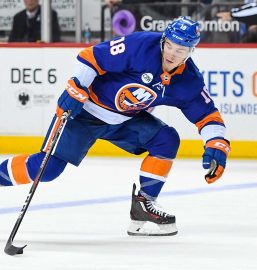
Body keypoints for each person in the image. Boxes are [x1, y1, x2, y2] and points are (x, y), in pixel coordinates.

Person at [0, 17, 230, 236]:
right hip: (84, 113)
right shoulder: (140, 45)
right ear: (163, 40)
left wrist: (217, 142)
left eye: (181, 50)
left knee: (166, 139)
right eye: (170, 45)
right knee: (47, 169)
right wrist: (77, 86)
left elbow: (207, 114)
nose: (172, 53)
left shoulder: (189, 80)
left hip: (124, 120)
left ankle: (144, 205)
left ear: (191, 52)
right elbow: (92, 56)